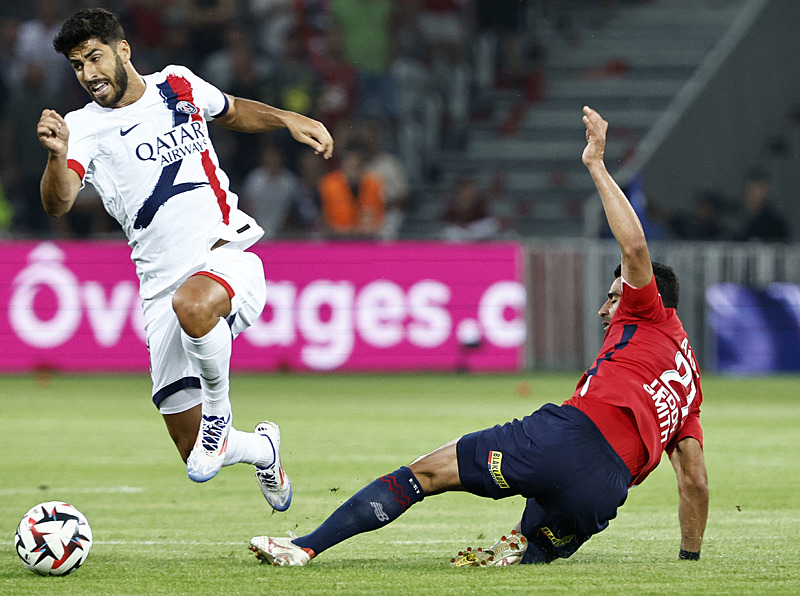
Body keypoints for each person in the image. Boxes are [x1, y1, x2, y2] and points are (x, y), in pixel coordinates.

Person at [249, 106, 708, 566]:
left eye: (614, 297)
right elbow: (694, 480)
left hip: (568, 437)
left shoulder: (646, 311)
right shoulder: (689, 384)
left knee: (425, 474)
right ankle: (526, 546)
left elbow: (634, 246)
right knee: (531, 544)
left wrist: (596, 165)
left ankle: (305, 546)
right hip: (605, 492)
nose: (605, 309)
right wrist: (689, 561)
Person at [36, 9, 334, 510]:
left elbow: (234, 110)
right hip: (159, 290)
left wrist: (288, 118)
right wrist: (54, 154)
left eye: (94, 57)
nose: (88, 73)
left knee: (194, 305)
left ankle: (221, 413)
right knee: (193, 452)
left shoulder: (177, 84)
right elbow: (58, 202)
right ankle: (262, 448)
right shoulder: (80, 128)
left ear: (122, 50)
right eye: (76, 65)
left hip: (228, 256)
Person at [318, 140, 385, 237]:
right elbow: (322, 218)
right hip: (335, 239)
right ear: (342, 163)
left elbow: (378, 217)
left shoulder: (374, 184)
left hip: (367, 239)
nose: (353, 170)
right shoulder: (328, 184)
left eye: (357, 165)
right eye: (350, 164)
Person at [735, 168, 790, 242]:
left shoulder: (772, 224)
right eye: (748, 192)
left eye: (753, 194)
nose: (748, 197)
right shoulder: (749, 221)